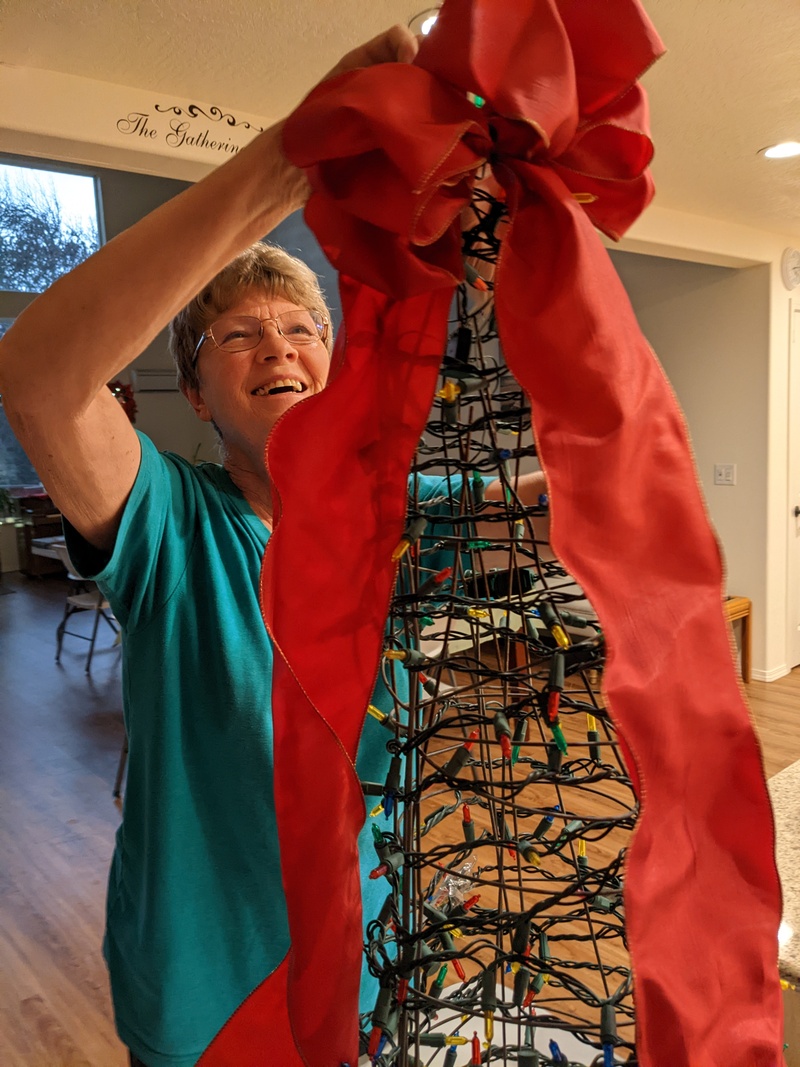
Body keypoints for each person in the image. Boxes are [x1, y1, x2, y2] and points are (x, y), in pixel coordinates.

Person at [0, 24, 546, 1067]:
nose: (280, 347)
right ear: (195, 391)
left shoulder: (392, 512)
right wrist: (296, 153)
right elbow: (37, 378)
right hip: (210, 974)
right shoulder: (172, 520)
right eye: (237, 335)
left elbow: (553, 497)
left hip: (371, 943)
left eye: (302, 328)